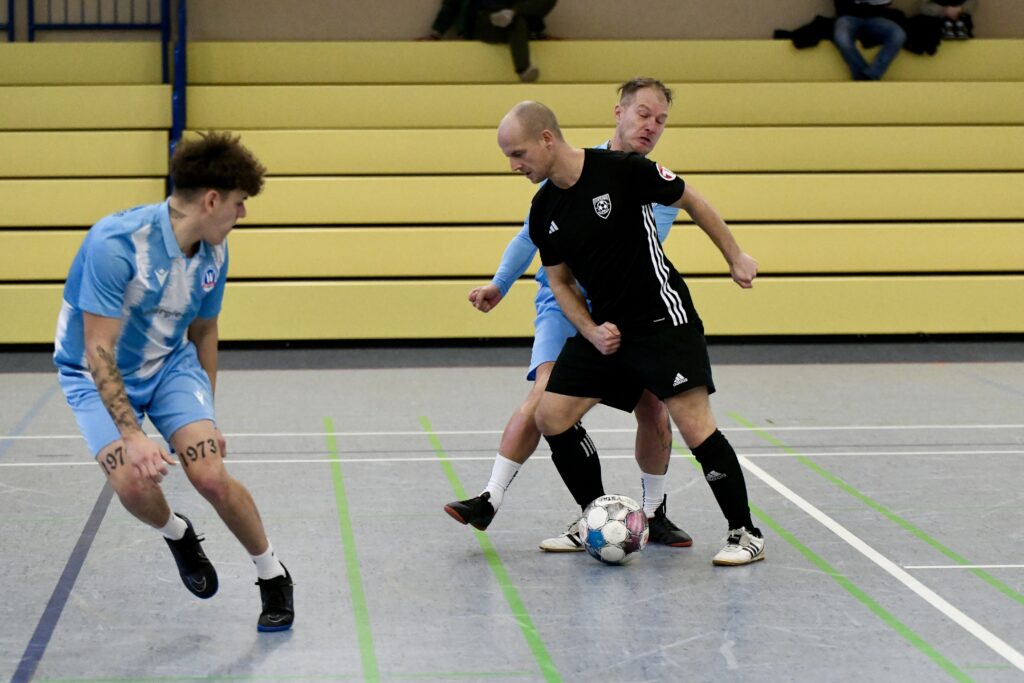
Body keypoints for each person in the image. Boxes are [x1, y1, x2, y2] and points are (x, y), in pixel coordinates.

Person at [496, 101, 765, 566]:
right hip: (609, 329)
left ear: (546, 139)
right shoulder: (544, 209)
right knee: (551, 414)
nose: (514, 165)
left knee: (695, 425)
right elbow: (558, 281)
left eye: (518, 153)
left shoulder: (621, 170)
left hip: (663, 320)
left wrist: (735, 256)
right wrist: (591, 330)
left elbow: (692, 199)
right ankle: (595, 516)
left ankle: (745, 532)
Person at [53, 132, 295, 630]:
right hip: (93, 371)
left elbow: (204, 329)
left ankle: (272, 574)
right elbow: (98, 349)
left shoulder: (214, 252)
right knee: (132, 482)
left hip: (169, 365)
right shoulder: (115, 245)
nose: (242, 214)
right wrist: (133, 436)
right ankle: (177, 532)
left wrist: (206, 414)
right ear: (211, 200)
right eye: (238, 203)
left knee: (209, 473)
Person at [444, 78, 693, 553]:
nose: (651, 126)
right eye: (642, 113)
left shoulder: (652, 184)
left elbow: (628, 255)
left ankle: (656, 513)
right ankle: (494, 498)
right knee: (544, 401)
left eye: (660, 120)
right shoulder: (568, 169)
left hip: (621, 310)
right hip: (563, 308)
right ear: (617, 113)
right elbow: (532, 236)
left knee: (653, 406)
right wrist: (500, 282)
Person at [421, 0, 557, 82]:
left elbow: (531, 7)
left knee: (517, 19)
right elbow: (451, 5)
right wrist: (435, 34)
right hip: (485, 20)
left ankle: (511, 13)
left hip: (514, 20)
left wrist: (542, 34)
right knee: (516, 20)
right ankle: (523, 69)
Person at [832, 0, 907, 80]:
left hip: (875, 17)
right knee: (842, 37)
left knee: (898, 34)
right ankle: (865, 78)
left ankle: (870, 75)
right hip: (848, 17)